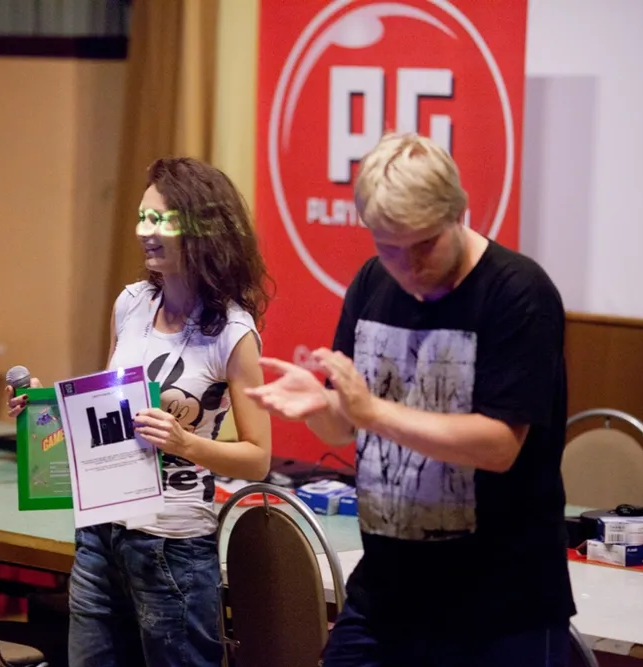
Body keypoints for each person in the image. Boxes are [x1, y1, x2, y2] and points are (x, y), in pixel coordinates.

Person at [246, 132, 575, 667]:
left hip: (500, 606)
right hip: (386, 593)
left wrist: (372, 412)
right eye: (389, 247)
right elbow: (345, 428)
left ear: (458, 214)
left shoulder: (518, 292)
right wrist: (322, 408)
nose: (407, 266)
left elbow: (498, 445)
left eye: (424, 246)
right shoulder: (372, 282)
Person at [7, 157, 273, 667]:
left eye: (159, 219)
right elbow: (108, 417)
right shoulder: (131, 304)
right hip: (99, 533)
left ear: (199, 227)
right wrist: (46, 410)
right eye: (141, 217)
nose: (143, 231)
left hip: (172, 544)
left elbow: (258, 458)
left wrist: (185, 443)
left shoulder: (233, 332)